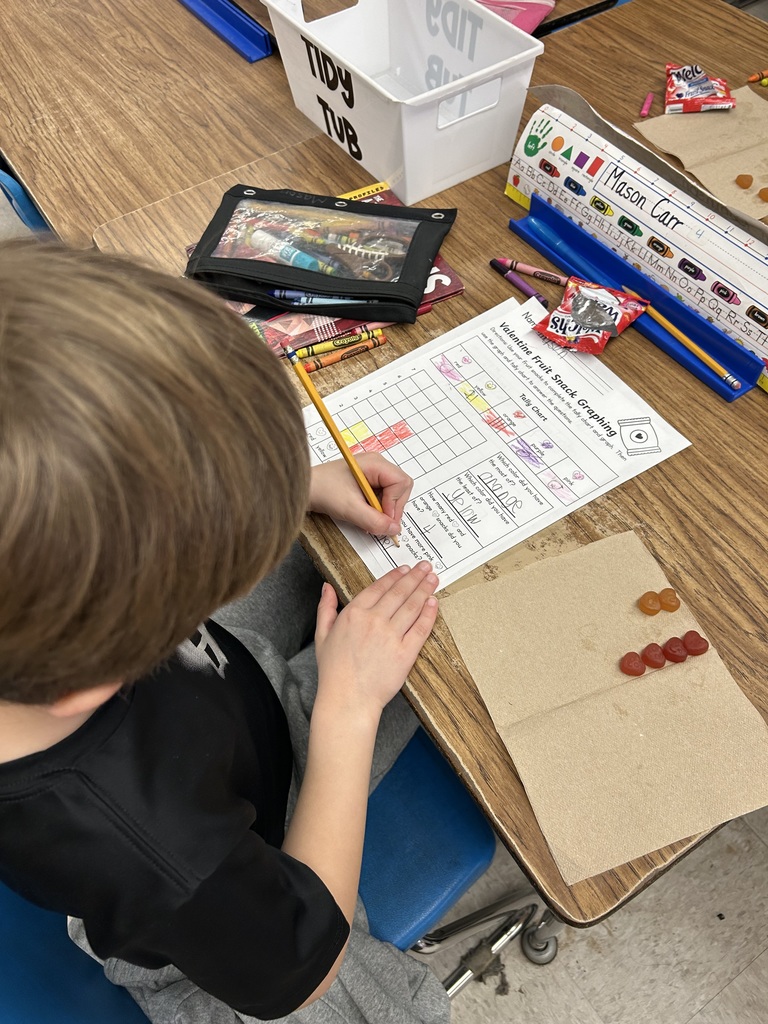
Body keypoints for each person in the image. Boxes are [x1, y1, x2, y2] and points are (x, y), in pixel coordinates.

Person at [0, 239, 450, 1024]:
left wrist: (281, 488)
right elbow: (295, 964)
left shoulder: (42, 629)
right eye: (199, 579)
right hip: (230, 934)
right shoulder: (149, 844)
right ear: (102, 668)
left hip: (218, 718)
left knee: (363, 593)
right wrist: (347, 705)